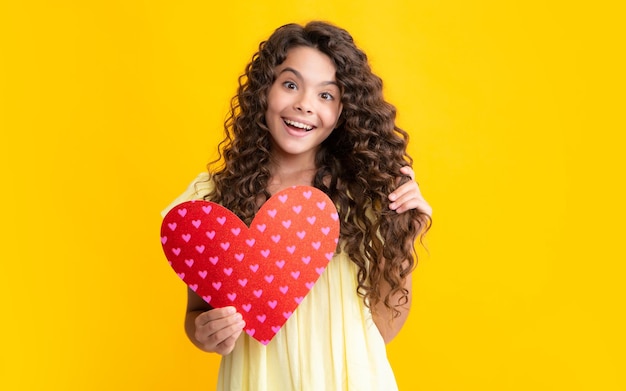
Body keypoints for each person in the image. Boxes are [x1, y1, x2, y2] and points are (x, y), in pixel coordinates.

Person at [163, 21, 432, 391]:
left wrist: (403, 234)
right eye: (290, 85)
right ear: (265, 91)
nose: (304, 105)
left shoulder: (365, 195)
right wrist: (205, 333)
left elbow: (383, 330)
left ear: (343, 111)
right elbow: (196, 315)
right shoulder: (213, 197)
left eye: (326, 95)